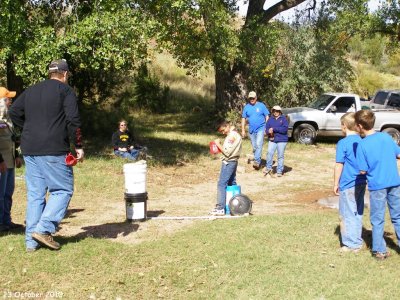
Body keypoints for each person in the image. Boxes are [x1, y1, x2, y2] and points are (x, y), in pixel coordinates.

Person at [9, 59, 84, 252]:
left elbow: (14, 111)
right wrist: (78, 145)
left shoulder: (32, 90)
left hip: (29, 147)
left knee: (35, 194)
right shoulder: (65, 91)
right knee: (63, 190)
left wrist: (28, 128)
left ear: (50, 73)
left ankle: (31, 242)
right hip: (53, 148)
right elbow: (73, 119)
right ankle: (43, 229)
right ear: (65, 74)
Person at [355, 110, 400, 260]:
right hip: (394, 182)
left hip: (377, 186)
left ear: (360, 126)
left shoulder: (362, 145)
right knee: (398, 216)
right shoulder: (386, 137)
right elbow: (398, 154)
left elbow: (362, 170)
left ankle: (380, 250)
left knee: (378, 218)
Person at [333, 112, 366, 252]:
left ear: (345, 126)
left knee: (346, 213)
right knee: (357, 211)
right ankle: (357, 240)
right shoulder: (363, 141)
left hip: (347, 182)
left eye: (341, 125)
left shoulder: (343, 143)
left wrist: (335, 183)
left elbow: (339, 164)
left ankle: (349, 243)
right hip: (361, 181)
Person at [0, 87, 23, 232]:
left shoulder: (8, 120)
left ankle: (7, 221)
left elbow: (13, 139)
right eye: (9, 99)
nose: (11, 101)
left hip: (10, 162)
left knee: (8, 193)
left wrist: (17, 156)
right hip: (1, 163)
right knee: (0, 195)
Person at [210, 121, 242, 216]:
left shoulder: (232, 136)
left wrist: (217, 143)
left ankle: (220, 208)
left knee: (221, 184)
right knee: (232, 183)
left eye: (223, 130)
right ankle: (235, 206)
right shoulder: (235, 134)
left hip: (229, 162)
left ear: (227, 126)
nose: (223, 133)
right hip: (233, 161)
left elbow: (227, 152)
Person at [241, 91, 269, 170]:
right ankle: (257, 158)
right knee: (254, 147)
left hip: (261, 128)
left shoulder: (261, 105)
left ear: (256, 98)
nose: (252, 99)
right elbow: (243, 118)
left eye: (253, 98)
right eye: (250, 98)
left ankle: (257, 162)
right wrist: (243, 130)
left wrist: (266, 127)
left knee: (258, 144)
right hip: (251, 130)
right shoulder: (246, 107)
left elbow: (267, 116)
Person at [263, 106, 288, 177]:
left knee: (280, 155)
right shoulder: (270, 119)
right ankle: (268, 168)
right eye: (274, 111)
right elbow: (267, 129)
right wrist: (268, 131)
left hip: (282, 140)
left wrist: (274, 129)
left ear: (280, 111)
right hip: (272, 139)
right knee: (269, 153)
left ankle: (279, 171)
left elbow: (284, 129)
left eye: (277, 111)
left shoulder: (284, 119)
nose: (275, 112)